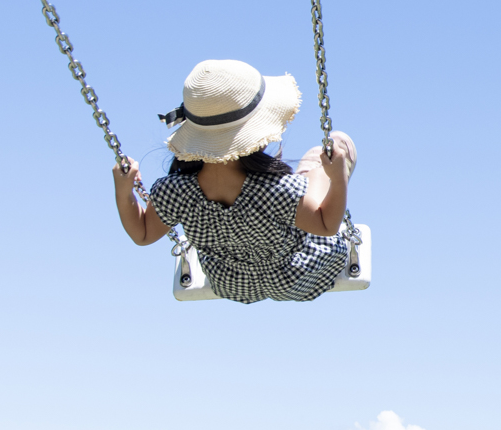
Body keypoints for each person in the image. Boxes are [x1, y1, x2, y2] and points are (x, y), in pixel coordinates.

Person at [113, 59, 357, 303]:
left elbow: (142, 234)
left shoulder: (175, 192)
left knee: (299, 191)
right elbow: (326, 226)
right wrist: (337, 178)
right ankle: (325, 163)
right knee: (319, 164)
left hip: (231, 285)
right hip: (296, 279)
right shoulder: (277, 191)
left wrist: (124, 192)